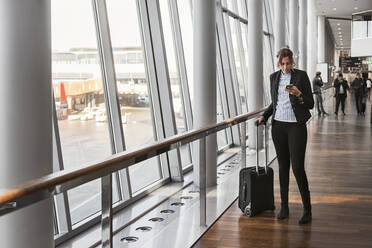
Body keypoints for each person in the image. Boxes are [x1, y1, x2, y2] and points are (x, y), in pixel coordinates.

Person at [257, 47, 314, 225]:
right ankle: (284, 207)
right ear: (278, 63)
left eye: (288, 64)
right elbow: (275, 102)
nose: (285, 67)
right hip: (278, 127)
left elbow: (310, 104)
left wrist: (299, 94)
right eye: (282, 64)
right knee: (282, 167)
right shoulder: (274, 77)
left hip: (296, 126)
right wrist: (265, 116)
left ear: (292, 62)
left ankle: (307, 209)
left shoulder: (301, 76)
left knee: (297, 168)